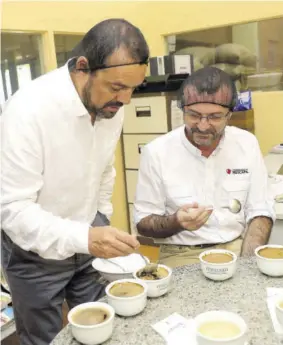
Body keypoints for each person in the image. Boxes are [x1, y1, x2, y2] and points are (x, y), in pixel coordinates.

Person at [1, 19, 149, 345]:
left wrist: (101, 218)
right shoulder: (27, 112)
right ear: (83, 68)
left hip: (87, 239)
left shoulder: (112, 104)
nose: (125, 100)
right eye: (116, 87)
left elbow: (104, 168)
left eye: (132, 89)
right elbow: (12, 210)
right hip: (33, 254)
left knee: (100, 328)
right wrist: (85, 236)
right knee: (47, 339)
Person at [134, 66, 275, 268]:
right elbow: (143, 223)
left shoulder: (246, 144)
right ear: (182, 110)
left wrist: (248, 265)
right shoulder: (156, 152)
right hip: (180, 254)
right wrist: (176, 222)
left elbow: (260, 210)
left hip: (237, 247)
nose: (202, 125)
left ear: (229, 115)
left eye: (215, 117)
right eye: (193, 115)